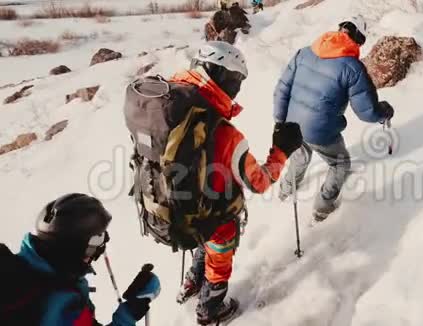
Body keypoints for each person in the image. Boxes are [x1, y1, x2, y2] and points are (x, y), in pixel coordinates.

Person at [142, 42, 302, 325]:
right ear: (220, 75)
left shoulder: (165, 109)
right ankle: (210, 307)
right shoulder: (225, 133)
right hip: (214, 215)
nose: (237, 88)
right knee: (219, 256)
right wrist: (281, 151)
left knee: (200, 235)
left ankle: (192, 281)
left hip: (168, 206)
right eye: (235, 80)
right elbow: (259, 182)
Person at [273, 15, 395, 221]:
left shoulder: (304, 53)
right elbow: (366, 112)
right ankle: (322, 208)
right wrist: (383, 111)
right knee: (340, 164)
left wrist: (280, 120)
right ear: (357, 38)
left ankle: (285, 191)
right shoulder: (353, 68)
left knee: (300, 154)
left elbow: (282, 89)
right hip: (320, 130)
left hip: (291, 122)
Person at [0, 193, 161, 326]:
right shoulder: (59, 305)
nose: (102, 245)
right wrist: (129, 313)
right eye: (97, 239)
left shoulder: (19, 273)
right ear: (73, 249)